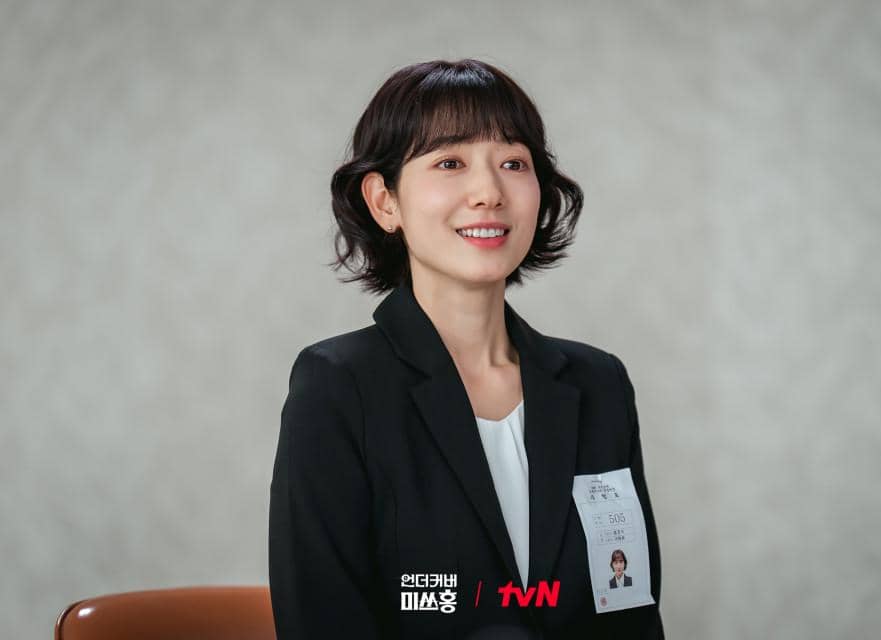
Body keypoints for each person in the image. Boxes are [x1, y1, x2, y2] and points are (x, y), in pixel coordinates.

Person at [268, 58, 664, 640]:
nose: (489, 193)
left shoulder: (598, 383)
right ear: (384, 202)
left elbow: (630, 613)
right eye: (450, 163)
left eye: (513, 163)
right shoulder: (339, 386)